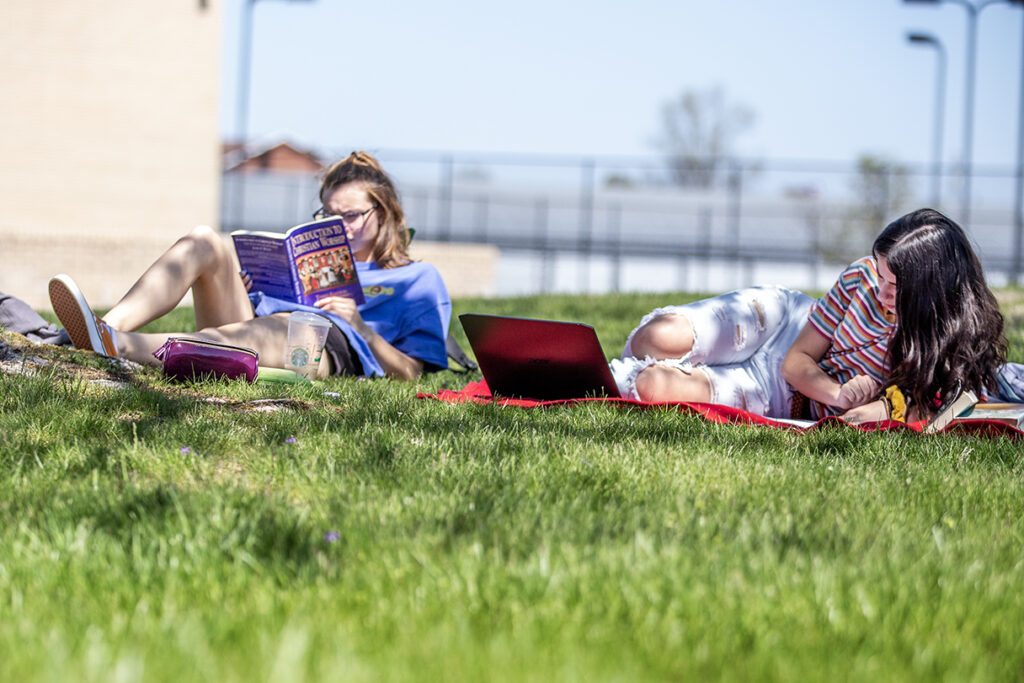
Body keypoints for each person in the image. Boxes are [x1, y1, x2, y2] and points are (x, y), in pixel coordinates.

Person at [48, 151, 451, 380]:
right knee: (206, 239)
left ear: (384, 213)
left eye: (350, 216)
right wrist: (245, 287)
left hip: (327, 345)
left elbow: (411, 372)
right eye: (326, 215)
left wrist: (361, 326)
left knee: (286, 325)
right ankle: (107, 327)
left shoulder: (416, 280)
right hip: (258, 320)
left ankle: (115, 346)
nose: (336, 226)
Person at [611, 208, 1013, 424]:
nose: (880, 289)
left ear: (931, 291)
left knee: (652, 386)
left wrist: (874, 406)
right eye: (880, 272)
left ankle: (606, 376)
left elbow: (935, 408)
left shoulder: (947, 354)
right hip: (784, 323)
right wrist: (838, 394)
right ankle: (604, 361)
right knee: (657, 338)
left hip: (786, 395)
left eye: (895, 284)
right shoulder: (861, 276)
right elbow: (796, 359)